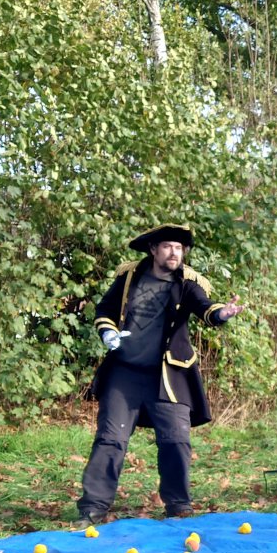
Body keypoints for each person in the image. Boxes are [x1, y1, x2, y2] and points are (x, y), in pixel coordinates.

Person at [76, 223, 242, 526]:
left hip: (169, 375)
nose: (174, 253)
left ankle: (178, 505)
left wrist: (223, 313)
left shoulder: (187, 282)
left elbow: (206, 308)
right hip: (124, 375)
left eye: (179, 248)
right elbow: (105, 310)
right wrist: (108, 334)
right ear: (154, 250)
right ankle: (93, 507)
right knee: (110, 439)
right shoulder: (128, 277)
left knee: (176, 440)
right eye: (167, 246)